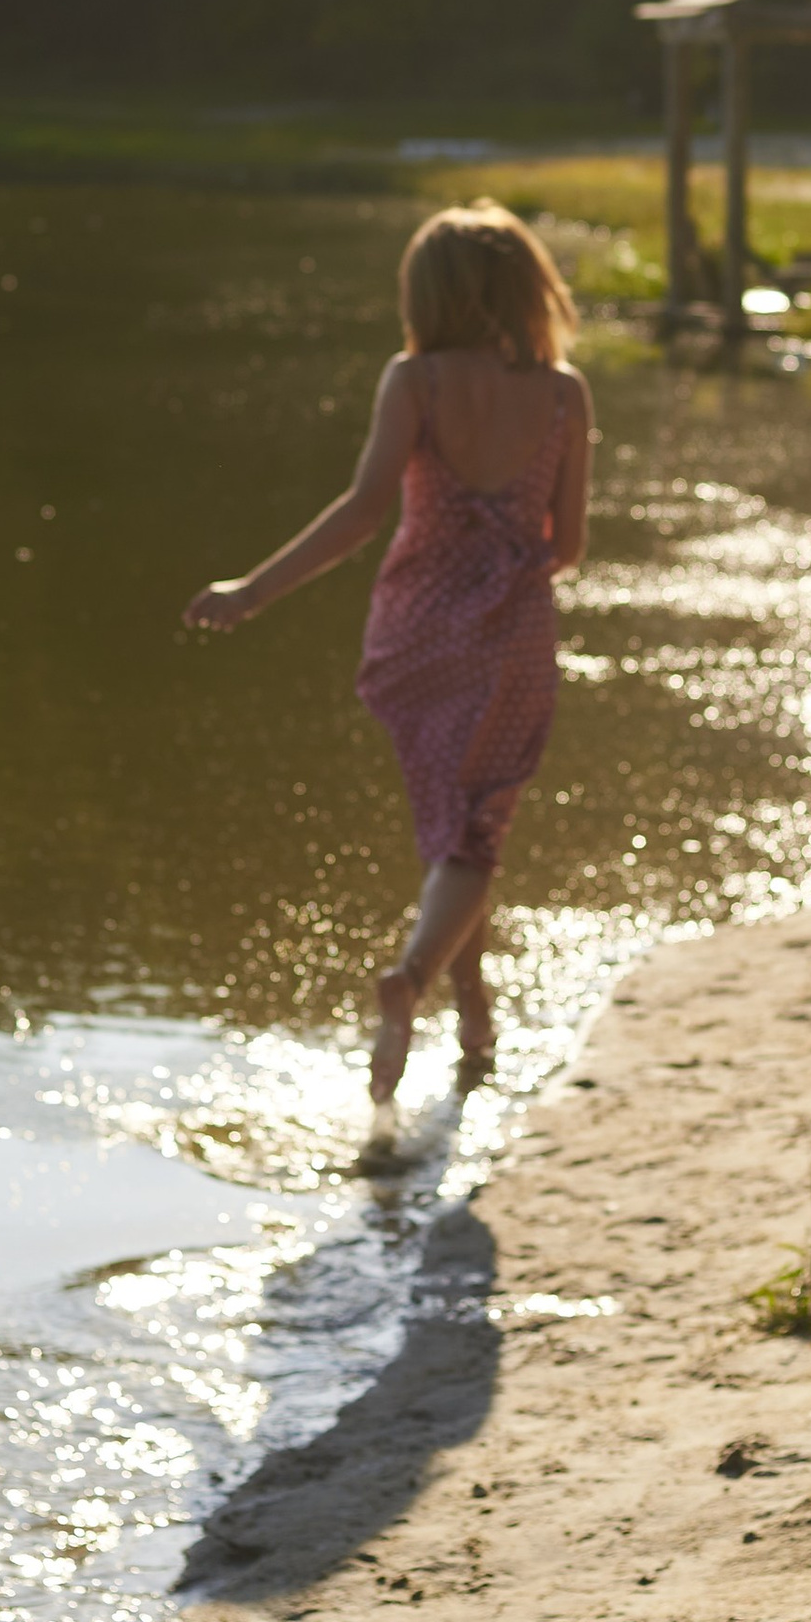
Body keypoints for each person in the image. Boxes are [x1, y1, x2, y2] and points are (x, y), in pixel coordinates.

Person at [184, 201, 593, 1157]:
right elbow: (569, 544)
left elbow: (364, 509)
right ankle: (412, 979)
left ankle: (474, 1013)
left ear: (428, 295)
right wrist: (509, 549)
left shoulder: (414, 380)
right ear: (527, 289)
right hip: (510, 635)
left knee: (450, 826)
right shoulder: (564, 396)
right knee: (475, 835)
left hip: (416, 631)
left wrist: (252, 590)